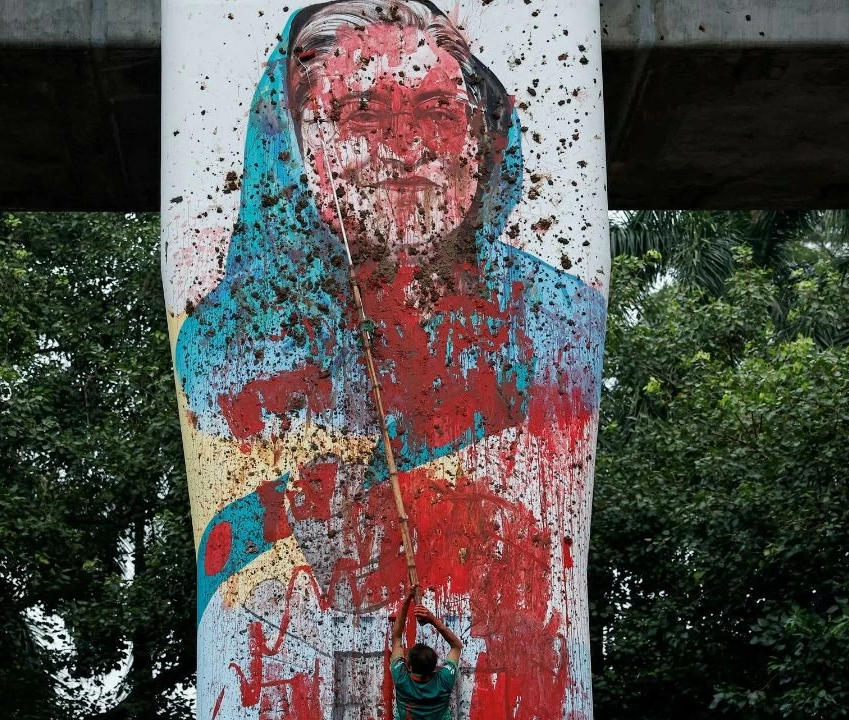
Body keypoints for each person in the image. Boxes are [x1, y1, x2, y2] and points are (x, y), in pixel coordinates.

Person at [175, 1, 606, 717]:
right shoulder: (229, 348)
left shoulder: (558, 321)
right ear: (297, 140)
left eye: (437, 110)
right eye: (362, 113)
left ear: (483, 136)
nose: (408, 147)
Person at [389, 586, 463, 720]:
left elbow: (397, 638)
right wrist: (432, 619)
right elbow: (456, 646)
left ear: (409, 666)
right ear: (435, 667)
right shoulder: (444, 680)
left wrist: (407, 599)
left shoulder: (401, 678)